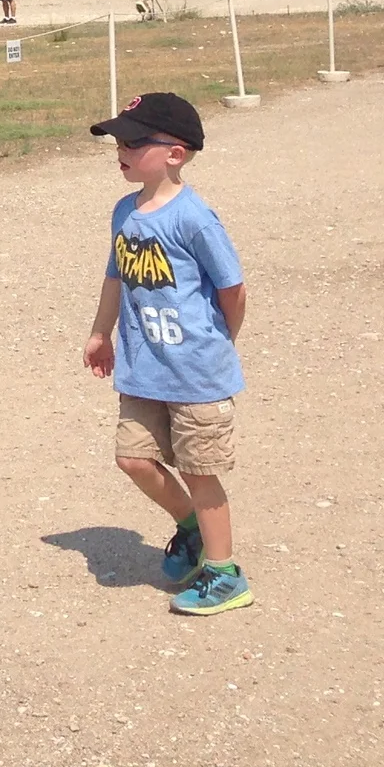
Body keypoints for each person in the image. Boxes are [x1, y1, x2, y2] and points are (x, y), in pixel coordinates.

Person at [80, 91, 252, 616]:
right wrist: (100, 332)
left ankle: (226, 577)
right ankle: (192, 530)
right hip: (143, 366)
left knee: (201, 471)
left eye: (133, 141)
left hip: (196, 370)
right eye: (117, 141)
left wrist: (220, 343)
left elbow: (233, 289)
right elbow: (116, 275)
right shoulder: (124, 212)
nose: (121, 149)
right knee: (133, 458)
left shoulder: (194, 218)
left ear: (175, 153)